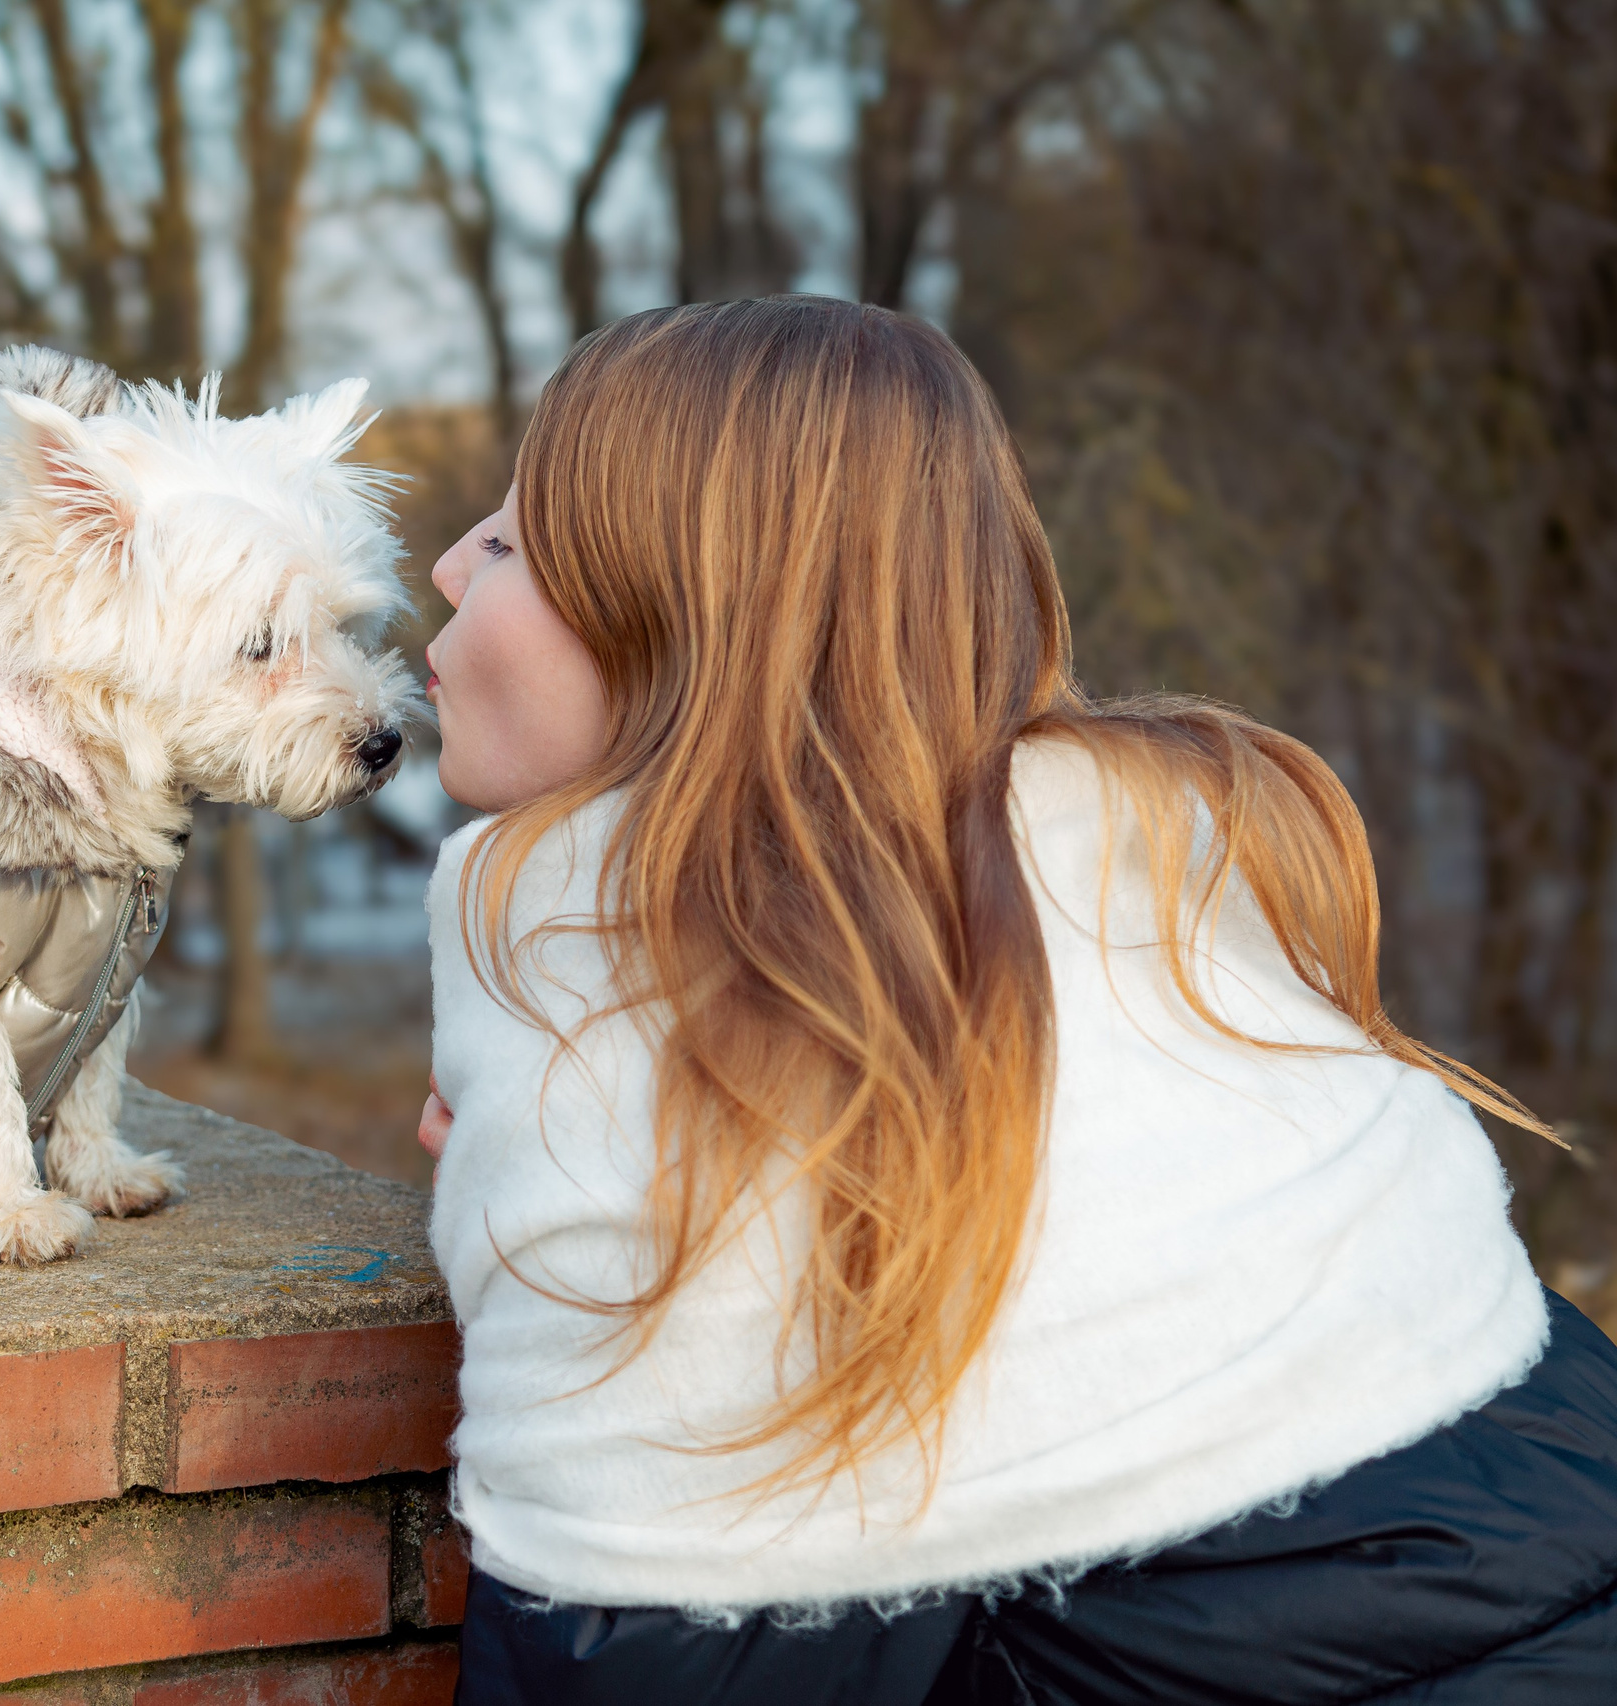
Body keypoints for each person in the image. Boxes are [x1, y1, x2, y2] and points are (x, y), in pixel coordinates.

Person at [415, 297, 1617, 1704]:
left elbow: (644, 1660)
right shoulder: (1127, 899)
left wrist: (583, 1152)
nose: (444, 565)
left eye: (511, 545)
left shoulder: (656, 1052)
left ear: (684, 620)